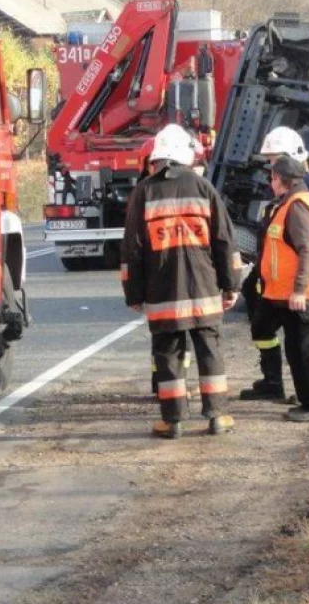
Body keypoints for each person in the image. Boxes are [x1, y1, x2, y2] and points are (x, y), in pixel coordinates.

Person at [121, 124, 244, 438]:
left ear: (159, 157)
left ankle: (172, 421)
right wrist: (231, 285)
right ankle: (217, 416)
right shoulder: (204, 188)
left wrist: (133, 293)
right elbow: (224, 241)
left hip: (163, 294)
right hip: (204, 290)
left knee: (168, 354)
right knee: (209, 350)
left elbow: (132, 250)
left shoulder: (144, 192)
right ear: (185, 156)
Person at [239, 126, 309, 402]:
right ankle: (276, 382)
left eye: (274, 162)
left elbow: (308, 244)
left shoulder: (305, 193)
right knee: (266, 327)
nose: (270, 169)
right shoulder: (296, 191)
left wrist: (299, 287)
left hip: (299, 283)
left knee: (306, 343)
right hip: (281, 281)